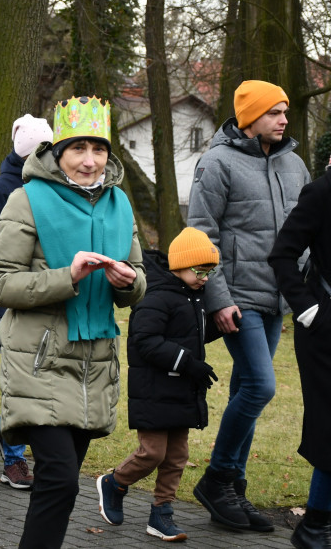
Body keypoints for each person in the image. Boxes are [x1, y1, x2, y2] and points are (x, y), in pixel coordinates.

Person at [0, 95, 146, 549]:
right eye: (79, 149)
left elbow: (138, 282)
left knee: (61, 487)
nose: (90, 161)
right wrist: (66, 277)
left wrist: (129, 281)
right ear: (59, 152)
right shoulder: (26, 199)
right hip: (40, 363)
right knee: (59, 482)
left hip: (94, 364)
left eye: (99, 149)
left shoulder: (119, 205)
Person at [187, 79, 308, 532]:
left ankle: (234, 488)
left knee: (246, 392)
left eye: (285, 111)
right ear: (251, 117)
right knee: (261, 386)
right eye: (275, 111)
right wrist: (217, 299)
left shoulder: (295, 165)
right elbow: (201, 235)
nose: (283, 119)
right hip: (237, 299)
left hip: (277, 299)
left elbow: (304, 233)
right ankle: (217, 479)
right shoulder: (217, 162)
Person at [96, 227, 222, 542]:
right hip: (154, 390)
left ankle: (161, 513)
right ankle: (115, 483)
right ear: (180, 264)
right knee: (152, 452)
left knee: (177, 456)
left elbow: (190, 334)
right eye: (200, 270)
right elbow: (145, 339)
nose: (205, 277)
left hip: (181, 389)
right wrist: (187, 362)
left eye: (210, 271)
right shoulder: (155, 294)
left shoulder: (193, 296)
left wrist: (222, 327)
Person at [0, 113, 53, 491]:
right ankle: (14, 458)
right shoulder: (2, 189)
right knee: (19, 381)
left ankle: (4, 429)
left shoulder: (57, 188)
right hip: (12, 299)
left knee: (42, 380)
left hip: (49, 296)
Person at [268, 170, 331, 548]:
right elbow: (282, 255)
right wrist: (310, 311)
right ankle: (314, 527)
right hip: (325, 334)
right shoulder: (322, 190)